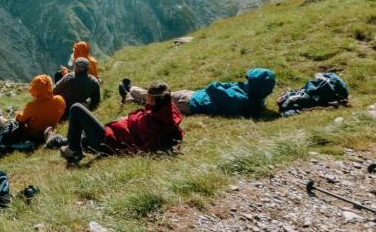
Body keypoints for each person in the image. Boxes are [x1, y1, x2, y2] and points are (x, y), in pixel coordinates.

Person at [58, 81, 183, 162]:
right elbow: (174, 135)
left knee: (76, 108)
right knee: (82, 134)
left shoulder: (151, 122)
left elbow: (150, 148)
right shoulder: (167, 112)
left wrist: (128, 152)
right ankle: (58, 140)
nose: (146, 98)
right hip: (112, 134)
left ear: (153, 99)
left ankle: (73, 149)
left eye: (148, 96)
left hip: (108, 142)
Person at [120, 68, 276, 116]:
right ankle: (131, 98)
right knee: (159, 102)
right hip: (195, 99)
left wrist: (232, 85)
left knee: (158, 97)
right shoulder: (255, 100)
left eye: (249, 80)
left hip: (190, 101)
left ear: (254, 85)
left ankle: (131, 90)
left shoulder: (237, 97)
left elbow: (213, 87)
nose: (245, 81)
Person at [0, 75, 66, 143]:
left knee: (12, 123)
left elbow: (20, 119)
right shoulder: (60, 100)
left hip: (32, 135)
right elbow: (61, 112)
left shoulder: (33, 105)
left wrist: (18, 113)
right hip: (49, 132)